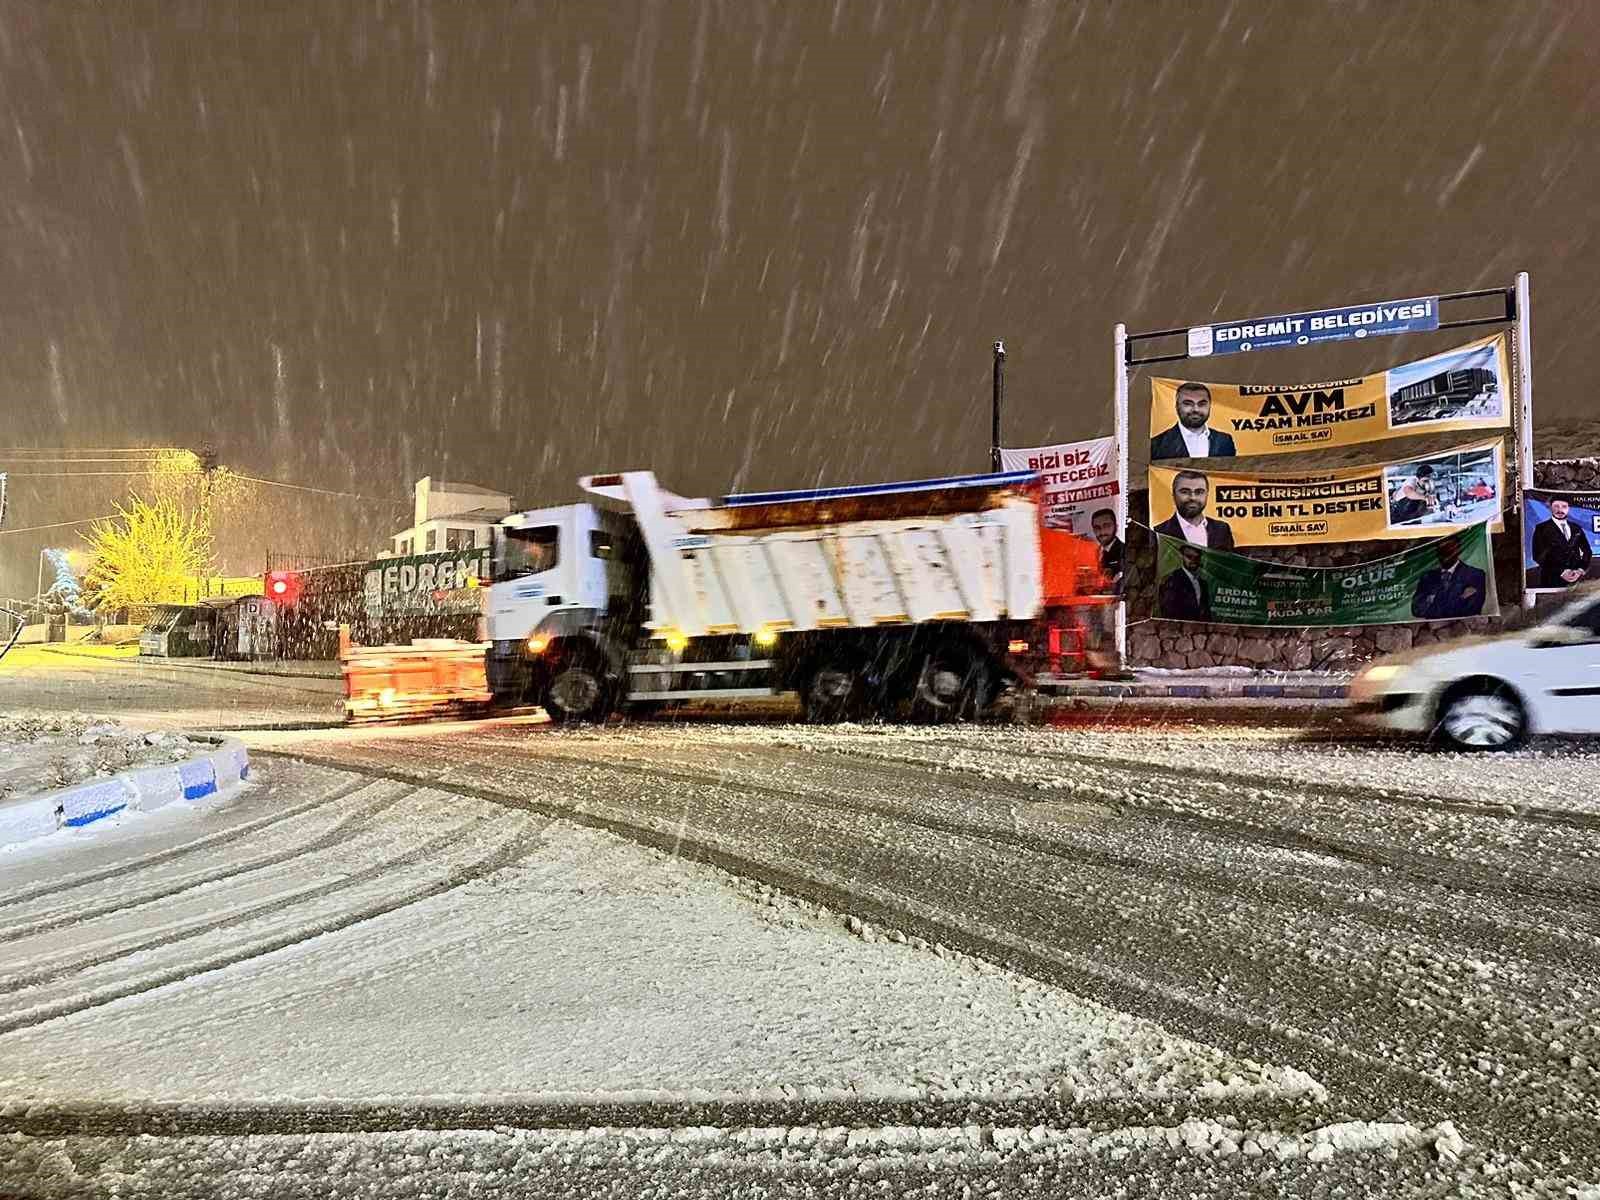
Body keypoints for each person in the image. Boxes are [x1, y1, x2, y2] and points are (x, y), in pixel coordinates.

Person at [1149, 381, 1237, 461]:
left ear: (1210, 406)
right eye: (1188, 404)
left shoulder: (1224, 441)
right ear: (1176, 406)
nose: (1196, 409)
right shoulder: (1156, 445)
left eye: (1202, 404)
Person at [1153, 469, 1235, 550]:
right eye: (1185, 492)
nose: (1192, 497)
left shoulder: (1222, 529)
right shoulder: (1158, 532)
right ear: (1173, 495)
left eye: (1199, 492)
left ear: (1207, 494)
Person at [1410, 534, 1488, 620]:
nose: (1445, 552)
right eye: (1440, 548)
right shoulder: (1427, 577)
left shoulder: (1475, 575)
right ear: (1436, 552)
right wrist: (1460, 598)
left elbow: (1471, 611)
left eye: (1449, 547)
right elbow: (1416, 610)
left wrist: (1432, 600)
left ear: (1459, 550)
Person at [1531, 496, 1594, 589]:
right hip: (1551, 580)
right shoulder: (1541, 528)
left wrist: (1580, 570)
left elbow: (1587, 551)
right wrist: (1561, 572)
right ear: (1550, 507)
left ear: (1568, 509)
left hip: (1576, 582)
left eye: (1564, 506)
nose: (1560, 510)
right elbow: (1538, 556)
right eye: (1556, 506)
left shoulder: (1576, 528)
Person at [1158, 543, 1211, 621]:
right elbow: (1168, 611)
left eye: (1197, 557)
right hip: (1179, 629)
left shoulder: (1203, 584)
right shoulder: (1172, 580)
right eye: (1189, 557)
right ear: (1182, 556)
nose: (1193, 560)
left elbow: (1205, 612)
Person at [1090, 507, 1124, 594]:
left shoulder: (1124, 551)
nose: (1102, 531)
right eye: (1097, 527)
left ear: (1116, 527)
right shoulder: (1094, 553)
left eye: (1106, 526)